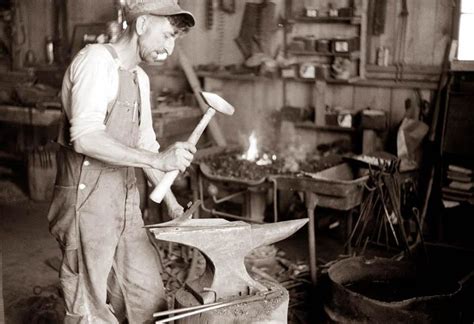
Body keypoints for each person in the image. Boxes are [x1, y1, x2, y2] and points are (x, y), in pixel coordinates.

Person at [47, 1, 196, 323]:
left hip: (125, 202)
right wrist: (157, 158)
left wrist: (172, 204)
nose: (169, 49)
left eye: (174, 41)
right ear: (142, 25)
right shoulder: (96, 62)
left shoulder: (138, 77)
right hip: (86, 203)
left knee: (146, 295)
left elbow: (145, 143)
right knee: (89, 306)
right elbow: (85, 138)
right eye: (166, 36)